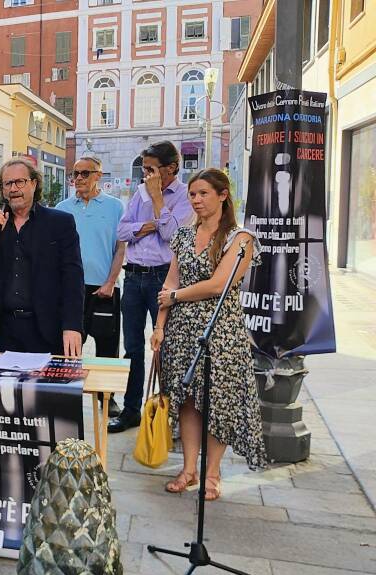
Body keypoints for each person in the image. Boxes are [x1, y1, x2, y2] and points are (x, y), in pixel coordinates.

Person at [152, 168, 267, 500]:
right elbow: (170, 282)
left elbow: (220, 284)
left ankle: (212, 474)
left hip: (221, 332)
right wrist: (160, 325)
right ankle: (189, 469)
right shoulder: (185, 235)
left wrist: (176, 297)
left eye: (203, 193)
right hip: (182, 330)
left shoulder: (240, 238)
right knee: (188, 401)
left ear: (222, 195)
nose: (196, 199)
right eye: (192, 194)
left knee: (217, 402)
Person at [109, 141, 194, 433]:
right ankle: (132, 409)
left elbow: (174, 236)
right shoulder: (140, 192)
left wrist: (158, 199)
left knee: (166, 348)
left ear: (171, 168)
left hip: (163, 278)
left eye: (151, 169)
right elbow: (121, 231)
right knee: (132, 347)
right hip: (133, 277)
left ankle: (169, 416)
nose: (146, 176)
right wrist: (150, 224)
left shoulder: (184, 196)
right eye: (144, 169)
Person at [0, 157, 84, 356]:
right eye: (8, 183)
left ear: (34, 183)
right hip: (6, 328)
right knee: (8, 387)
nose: (14, 188)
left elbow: (73, 278)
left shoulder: (59, 223)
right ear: (2, 190)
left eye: (20, 182)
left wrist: (72, 326)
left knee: (46, 387)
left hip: (47, 327)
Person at [55, 156, 126, 416]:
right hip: (69, 291)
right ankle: (64, 394)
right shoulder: (62, 207)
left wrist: (110, 282)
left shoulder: (115, 207)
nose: (80, 179)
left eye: (86, 173)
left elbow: (121, 247)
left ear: (99, 175)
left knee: (107, 347)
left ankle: (106, 397)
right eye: (76, 174)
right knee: (68, 346)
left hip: (104, 289)